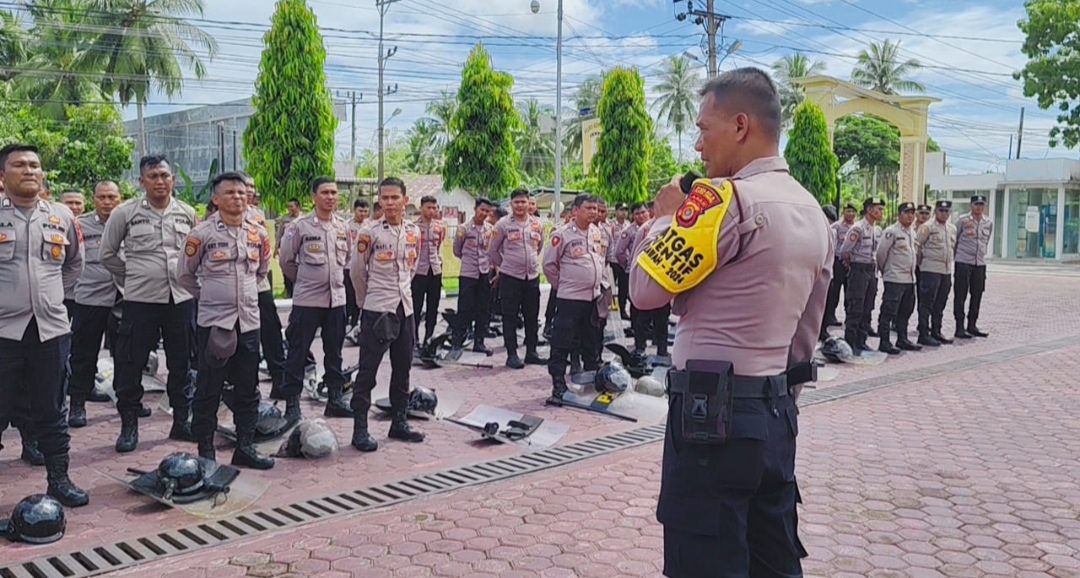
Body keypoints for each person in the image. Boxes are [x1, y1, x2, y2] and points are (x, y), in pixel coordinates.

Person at [629, 68, 828, 577]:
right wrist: (773, 399)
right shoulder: (812, 210)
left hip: (709, 419)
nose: (698, 145)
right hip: (776, 413)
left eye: (704, 128)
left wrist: (666, 216)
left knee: (705, 559)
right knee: (773, 557)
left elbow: (644, 292)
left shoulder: (721, 201)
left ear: (740, 125)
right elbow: (806, 333)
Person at [0, 143, 89, 507]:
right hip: (3, 333)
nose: (29, 171)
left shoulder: (61, 216)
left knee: (53, 410)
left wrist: (50, 300)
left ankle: (59, 479)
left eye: (35, 165)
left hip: (50, 330)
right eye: (19, 165)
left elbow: (73, 266)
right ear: (2, 176)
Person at [100, 155, 197, 453]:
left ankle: (181, 420)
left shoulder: (188, 213)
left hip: (180, 299)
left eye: (165, 175)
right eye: (153, 176)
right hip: (140, 300)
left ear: (173, 179)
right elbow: (108, 254)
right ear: (141, 181)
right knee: (130, 363)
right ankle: (129, 425)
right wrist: (133, 278)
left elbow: (194, 254)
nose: (160, 181)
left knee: (183, 362)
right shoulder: (125, 213)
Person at [177, 172, 275, 469]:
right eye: (230, 193)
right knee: (209, 388)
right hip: (214, 324)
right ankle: (205, 451)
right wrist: (209, 295)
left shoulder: (258, 233)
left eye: (242, 192)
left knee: (248, 388)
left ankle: (244, 446)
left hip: (248, 322)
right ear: (216, 199)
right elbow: (184, 275)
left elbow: (261, 273)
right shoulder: (201, 234)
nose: (237, 197)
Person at [349, 177, 425, 451]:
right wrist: (365, 301)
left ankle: (399, 422)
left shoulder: (414, 232)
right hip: (377, 310)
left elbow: (412, 268)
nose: (390, 203)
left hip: (405, 310)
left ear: (405, 200)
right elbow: (357, 272)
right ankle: (360, 429)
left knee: (403, 368)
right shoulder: (369, 233)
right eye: (385, 198)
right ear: (379, 201)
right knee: (368, 372)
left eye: (395, 198)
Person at [279, 177, 353, 421]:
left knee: (335, 353)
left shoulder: (342, 228)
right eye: (325, 192)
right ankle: (292, 404)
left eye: (333, 192)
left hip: (336, 301)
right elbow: (286, 261)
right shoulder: (299, 227)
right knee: (298, 353)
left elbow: (348, 260)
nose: (330, 197)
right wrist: (305, 281)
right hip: (307, 301)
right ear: (314, 197)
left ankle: (334, 399)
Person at [68, 181, 124, 427]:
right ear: (93, 199)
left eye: (112, 196)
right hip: (90, 296)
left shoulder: (129, 222)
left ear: (119, 198)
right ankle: (78, 404)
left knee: (125, 354)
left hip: (123, 296)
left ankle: (128, 402)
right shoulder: (80, 225)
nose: (107, 201)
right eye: (102, 197)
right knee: (84, 353)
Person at [542, 194, 605, 404]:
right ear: (576, 211)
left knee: (591, 342)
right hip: (570, 298)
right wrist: (563, 285)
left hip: (592, 297)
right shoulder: (562, 234)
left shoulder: (597, 232)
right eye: (589, 208)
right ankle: (558, 384)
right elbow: (549, 265)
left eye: (595, 209)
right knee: (562, 342)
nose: (594, 212)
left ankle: (590, 383)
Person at [239, 174, 287, 399]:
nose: (249, 190)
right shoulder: (218, 216)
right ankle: (245, 388)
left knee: (272, 331)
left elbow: (266, 252)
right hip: (233, 290)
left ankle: (279, 380)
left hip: (259, 284)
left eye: (251, 187)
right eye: (245, 186)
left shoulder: (257, 216)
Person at [489, 188, 546, 369]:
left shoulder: (537, 224)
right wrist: (505, 266)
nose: (521, 206)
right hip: (510, 277)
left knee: (532, 316)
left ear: (529, 204)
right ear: (511, 204)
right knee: (510, 317)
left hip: (532, 277)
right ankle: (512, 354)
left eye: (524, 202)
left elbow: (539, 247)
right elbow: (493, 250)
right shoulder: (502, 225)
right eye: (517, 202)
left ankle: (531, 352)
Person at [450, 197, 495, 356]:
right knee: (464, 308)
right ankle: (457, 342)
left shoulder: (490, 230)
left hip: (484, 272)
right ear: (475, 209)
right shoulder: (464, 228)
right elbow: (457, 250)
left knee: (483, 309)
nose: (484, 213)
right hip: (468, 273)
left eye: (487, 211)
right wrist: (469, 260)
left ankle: (479, 342)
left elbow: (492, 250)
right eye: (482, 210)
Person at [838, 197, 884, 351]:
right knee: (855, 307)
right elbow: (844, 251)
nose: (881, 212)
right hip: (858, 269)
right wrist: (851, 263)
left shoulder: (876, 229)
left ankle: (861, 341)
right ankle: (850, 342)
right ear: (869, 210)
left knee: (867, 307)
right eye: (879, 209)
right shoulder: (857, 228)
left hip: (871, 270)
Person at [876, 202, 921, 354]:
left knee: (906, 310)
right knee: (888, 311)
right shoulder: (891, 232)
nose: (910, 216)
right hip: (895, 278)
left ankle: (902, 339)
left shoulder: (912, 232)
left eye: (912, 213)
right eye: (907, 212)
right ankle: (884, 341)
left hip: (910, 279)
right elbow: (881, 254)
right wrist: (886, 272)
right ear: (899, 214)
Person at [916, 200, 956, 347]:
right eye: (941, 211)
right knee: (926, 303)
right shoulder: (926, 227)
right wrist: (921, 264)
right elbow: (917, 247)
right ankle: (923, 334)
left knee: (940, 303)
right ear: (936, 212)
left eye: (946, 211)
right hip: (930, 270)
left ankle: (936, 331)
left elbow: (952, 248)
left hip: (945, 271)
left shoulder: (951, 228)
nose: (944, 214)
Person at [953, 194, 992, 339]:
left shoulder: (988, 222)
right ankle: (959, 327)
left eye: (982, 204)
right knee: (960, 295)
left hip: (979, 263)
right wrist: (957, 257)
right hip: (963, 262)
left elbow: (985, 241)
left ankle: (972, 325)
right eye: (976, 204)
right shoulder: (963, 221)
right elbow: (954, 240)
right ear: (971, 206)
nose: (979, 207)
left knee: (977, 295)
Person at [411, 196, 446, 348]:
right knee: (416, 307)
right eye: (428, 207)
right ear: (421, 208)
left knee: (433, 306)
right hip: (418, 271)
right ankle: (414, 339)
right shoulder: (413, 228)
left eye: (434, 208)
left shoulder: (440, 227)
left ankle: (429, 337)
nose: (432, 211)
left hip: (435, 270)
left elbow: (439, 246)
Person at [824, 204, 857, 328]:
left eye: (853, 211)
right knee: (835, 290)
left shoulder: (857, 227)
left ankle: (850, 316)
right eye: (848, 211)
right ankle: (830, 316)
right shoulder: (837, 226)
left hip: (852, 263)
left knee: (850, 291)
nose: (851, 214)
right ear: (844, 212)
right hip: (838, 262)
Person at [344, 199, 369, 329]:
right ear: (354, 210)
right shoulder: (347, 226)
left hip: (364, 267)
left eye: (365, 211)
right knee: (349, 295)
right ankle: (347, 320)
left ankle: (356, 322)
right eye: (360, 211)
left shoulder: (370, 226)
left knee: (360, 295)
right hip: (348, 265)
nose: (363, 214)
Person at [275, 198, 302, 298]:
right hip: (286, 250)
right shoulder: (285, 219)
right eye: (288, 207)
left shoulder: (304, 219)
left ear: (298, 207)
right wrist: (276, 248)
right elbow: (279, 234)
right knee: (286, 271)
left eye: (291, 206)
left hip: (299, 253)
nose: (289, 209)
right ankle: (289, 293)